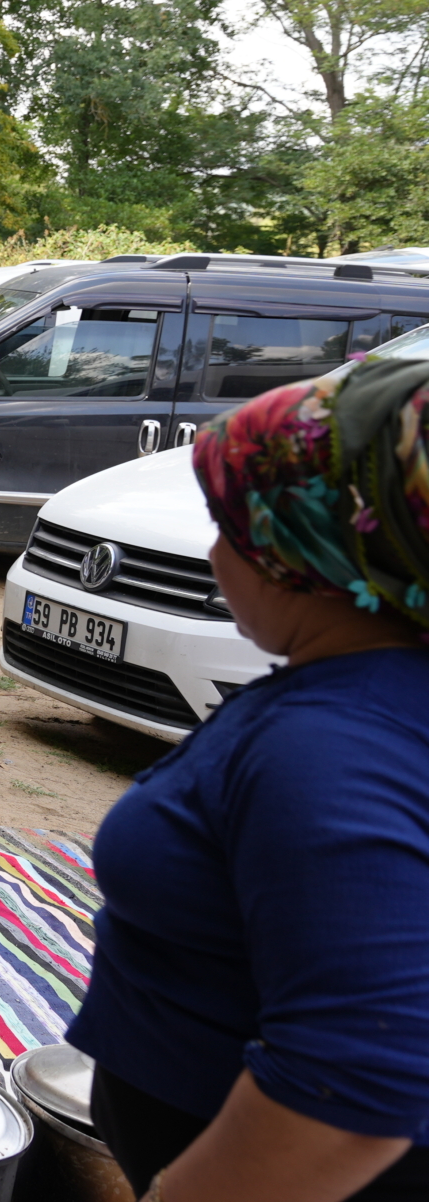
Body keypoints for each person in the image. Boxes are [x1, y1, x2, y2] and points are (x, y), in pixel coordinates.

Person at [66, 358, 429, 1202]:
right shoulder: (370, 691)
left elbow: (356, 1085)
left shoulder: (332, 747)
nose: (214, 550)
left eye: (233, 526)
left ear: (304, 547)